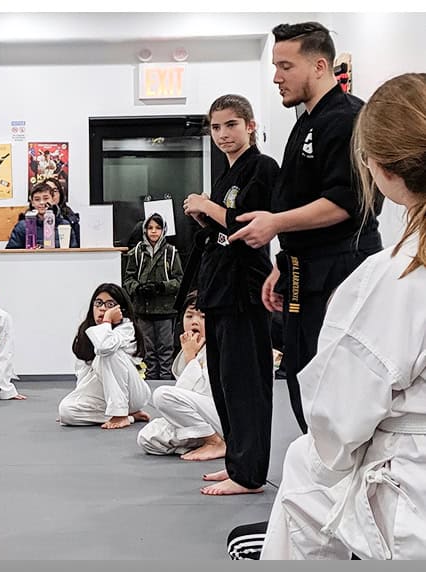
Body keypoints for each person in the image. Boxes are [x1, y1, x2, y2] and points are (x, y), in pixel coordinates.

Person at [259, 73, 426, 560]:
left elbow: (338, 421)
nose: (277, 76)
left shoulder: (394, 277)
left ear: (381, 169)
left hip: (411, 495)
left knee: (303, 465)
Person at [229, 22, 383, 434]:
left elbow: (345, 204)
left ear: (319, 65)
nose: (277, 77)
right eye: (274, 67)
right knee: (300, 370)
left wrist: (275, 223)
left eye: (285, 66)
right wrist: (283, 262)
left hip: (342, 268)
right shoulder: (305, 122)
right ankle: (321, 481)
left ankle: (343, 486)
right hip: (304, 268)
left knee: (334, 380)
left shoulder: (348, 118)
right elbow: (300, 196)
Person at [180, 94, 279, 496]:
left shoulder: (263, 169)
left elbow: (249, 225)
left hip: (245, 289)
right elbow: (222, 231)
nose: (223, 135)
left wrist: (209, 206)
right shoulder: (226, 174)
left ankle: (251, 474)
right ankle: (237, 462)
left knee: (246, 384)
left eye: (231, 125)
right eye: (216, 127)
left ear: (250, 126)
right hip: (219, 289)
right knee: (224, 384)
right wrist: (205, 215)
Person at [137, 291, 224, 459]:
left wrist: (191, 357)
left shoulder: (220, 347)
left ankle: (215, 442)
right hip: (201, 417)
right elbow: (182, 400)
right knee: (147, 438)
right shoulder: (192, 347)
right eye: (189, 316)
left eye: (203, 317)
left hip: (221, 416)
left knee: (162, 395)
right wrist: (190, 355)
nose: (194, 322)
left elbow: (200, 392)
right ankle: (202, 438)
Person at [58, 283, 151, 429]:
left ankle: (120, 414)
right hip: (104, 395)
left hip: (132, 393)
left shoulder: (126, 327)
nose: (102, 308)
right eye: (98, 303)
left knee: (108, 353)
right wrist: (80, 404)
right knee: (66, 411)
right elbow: (83, 376)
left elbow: (104, 346)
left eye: (110, 304)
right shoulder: (87, 330)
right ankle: (130, 416)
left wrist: (107, 320)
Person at [122, 213, 183, 380]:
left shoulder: (171, 253)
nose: (154, 231)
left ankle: (164, 381)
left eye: (158, 228)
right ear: (144, 230)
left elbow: (180, 280)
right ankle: (149, 383)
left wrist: (161, 287)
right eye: (150, 228)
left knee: (165, 349)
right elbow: (128, 279)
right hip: (143, 309)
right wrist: (138, 288)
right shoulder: (136, 254)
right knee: (147, 349)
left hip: (165, 310)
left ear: (164, 230)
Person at [6, 182, 79, 248]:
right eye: (37, 199)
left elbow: (74, 251)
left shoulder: (64, 225)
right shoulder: (22, 226)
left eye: (46, 198)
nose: (42, 202)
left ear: (53, 200)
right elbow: (11, 254)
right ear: (32, 203)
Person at [44, 177, 81, 247]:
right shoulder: (32, 217)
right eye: (47, 190)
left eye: (54, 190)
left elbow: (77, 246)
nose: (51, 194)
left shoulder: (70, 217)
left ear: (60, 194)